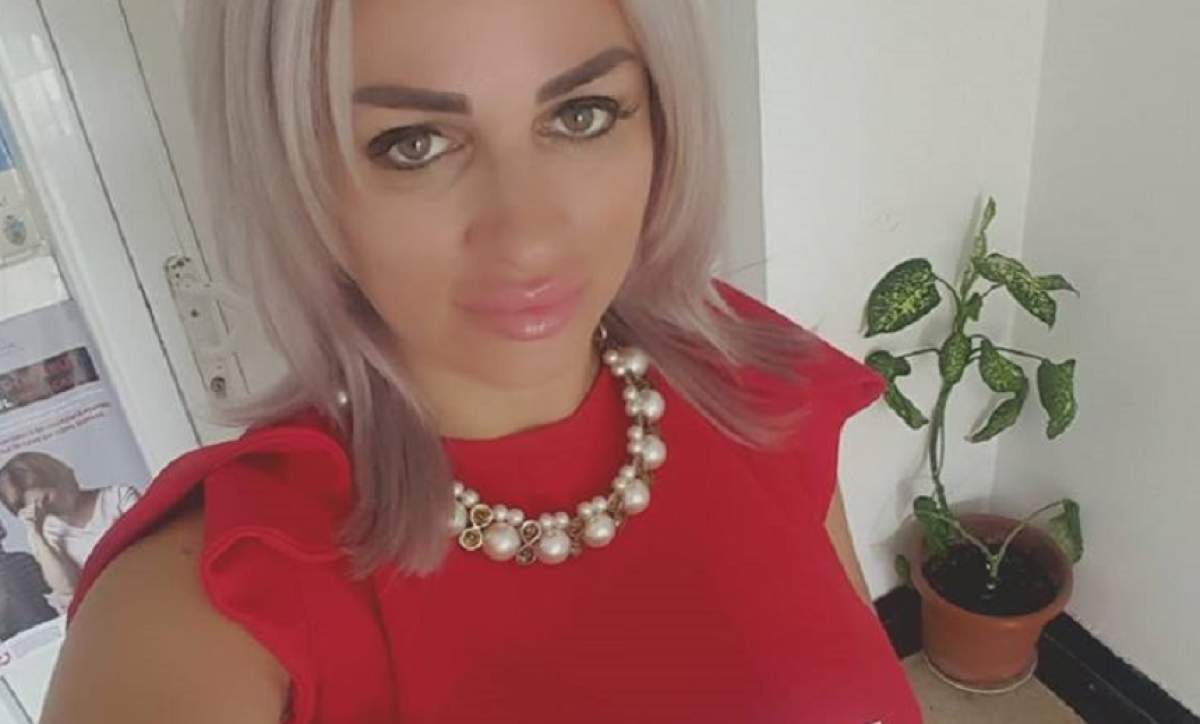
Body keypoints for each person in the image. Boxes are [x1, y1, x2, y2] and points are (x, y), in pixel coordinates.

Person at [43, 2, 923, 722]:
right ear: (293, 174)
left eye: (581, 114)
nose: (529, 236)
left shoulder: (742, 374)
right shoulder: (201, 609)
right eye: (413, 143)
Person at [0, 451, 140, 609]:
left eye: (46, 499)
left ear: (58, 478)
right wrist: (35, 531)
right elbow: (67, 591)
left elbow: (147, 549)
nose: (47, 509)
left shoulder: (118, 498)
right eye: (38, 508)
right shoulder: (48, 534)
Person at [0, 519, 58, 641]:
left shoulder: (23, 560)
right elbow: (50, 587)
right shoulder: (23, 559)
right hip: (47, 627)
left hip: (40, 630)